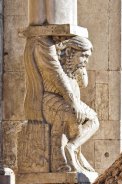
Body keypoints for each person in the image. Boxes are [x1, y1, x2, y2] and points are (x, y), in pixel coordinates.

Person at [24, 35, 99, 174]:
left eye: (87, 57)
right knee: (69, 115)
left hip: (66, 102)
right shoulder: (53, 61)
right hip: (48, 101)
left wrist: (81, 67)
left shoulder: (73, 70)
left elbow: (84, 83)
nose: (86, 61)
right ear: (70, 52)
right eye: (83, 55)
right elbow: (58, 80)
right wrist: (73, 103)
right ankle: (60, 160)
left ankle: (72, 147)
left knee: (94, 120)